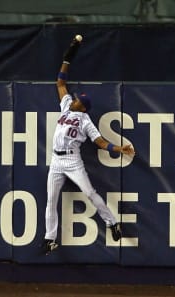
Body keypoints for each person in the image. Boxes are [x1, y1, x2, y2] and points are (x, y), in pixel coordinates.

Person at [42, 37, 135, 254]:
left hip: (73, 160)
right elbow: (61, 82)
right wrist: (69, 55)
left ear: (82, 106)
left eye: (77, 100)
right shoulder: (65, 106)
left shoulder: (85, 121)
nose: (72, 99)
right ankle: (49, 238)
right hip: (56, 159)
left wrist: (119, 148)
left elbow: (100, 142)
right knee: (51, 200)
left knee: (90, 193)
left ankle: (112, 222)